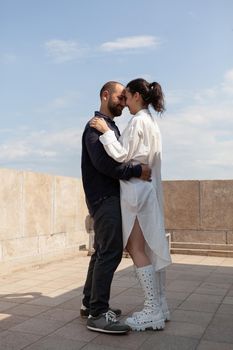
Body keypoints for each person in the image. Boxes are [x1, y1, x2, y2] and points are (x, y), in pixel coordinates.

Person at [90, 78, 172, 332]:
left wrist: (105, 133)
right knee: (144, 247)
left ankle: (151, 309)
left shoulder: (138, 121)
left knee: (135, 248)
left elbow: (123, 155)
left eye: (126, 96)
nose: (124, 102)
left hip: (136, 193)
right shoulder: (150, 122)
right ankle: (159, 305)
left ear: (137, 95)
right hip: (144, 191)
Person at [81, 81, 152, 334]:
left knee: (101, 251)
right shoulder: (94, 128)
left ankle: (89, 303)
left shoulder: (110, 127)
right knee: (110, 253)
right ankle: (98, 314)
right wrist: (137, 171)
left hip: (109, 197)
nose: (124, 102)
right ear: (105, 95)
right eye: (120, 98)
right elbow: (104, 165)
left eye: (125, 98)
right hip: (104, 198)